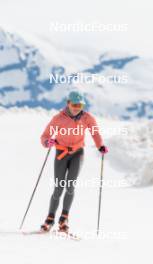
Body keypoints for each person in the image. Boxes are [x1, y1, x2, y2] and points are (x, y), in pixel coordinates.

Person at [40, 91, 108, 232]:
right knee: (59, 188)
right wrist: (47, 142)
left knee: (70, 186)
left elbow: (95, 133)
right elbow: (45, 135)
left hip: (77, 153)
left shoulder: (87, 118)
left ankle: (64, 218)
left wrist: (100, 145)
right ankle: (50, 218)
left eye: (80, 105)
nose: (77, 107)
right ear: (68, 103)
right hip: (61, 153)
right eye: (74, 104)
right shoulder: (58, 118)